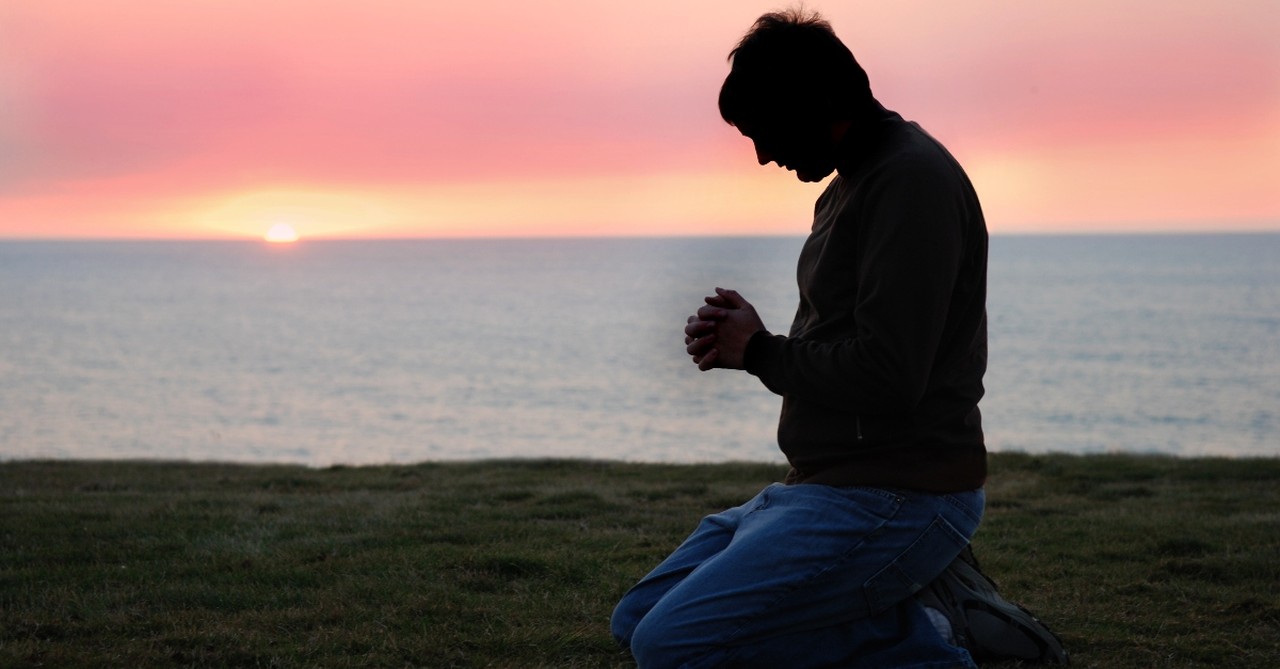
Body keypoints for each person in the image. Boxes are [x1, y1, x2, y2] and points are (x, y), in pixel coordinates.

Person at [611, 9, 1067, 668]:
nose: (763, 155)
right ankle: (895, 603)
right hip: (822, 487)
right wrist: (752, 340)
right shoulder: (851, 186)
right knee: (635, 619)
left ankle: (940, 637)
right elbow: (845, 340)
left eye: (765, 131)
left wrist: (759, 351)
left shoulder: (911, 183)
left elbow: (890, 375)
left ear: (818, 104)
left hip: (899, 494)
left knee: (669, 645)